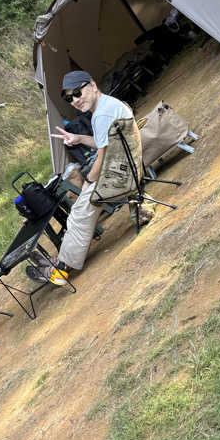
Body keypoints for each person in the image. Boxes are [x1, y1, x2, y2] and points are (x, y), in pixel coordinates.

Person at [27, 70, 143, 284]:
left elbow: (102, 157)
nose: (75, 101)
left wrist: (89, 180)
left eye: (78, 93)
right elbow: (104, 144)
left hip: (119, 177)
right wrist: (79, 138)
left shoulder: (101, 116)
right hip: (126, 166)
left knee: (78, 214)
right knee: (80, 209)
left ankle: (60, 269)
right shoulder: (107, 105)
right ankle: (61, 259)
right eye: (69, 98)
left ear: (92, 85)